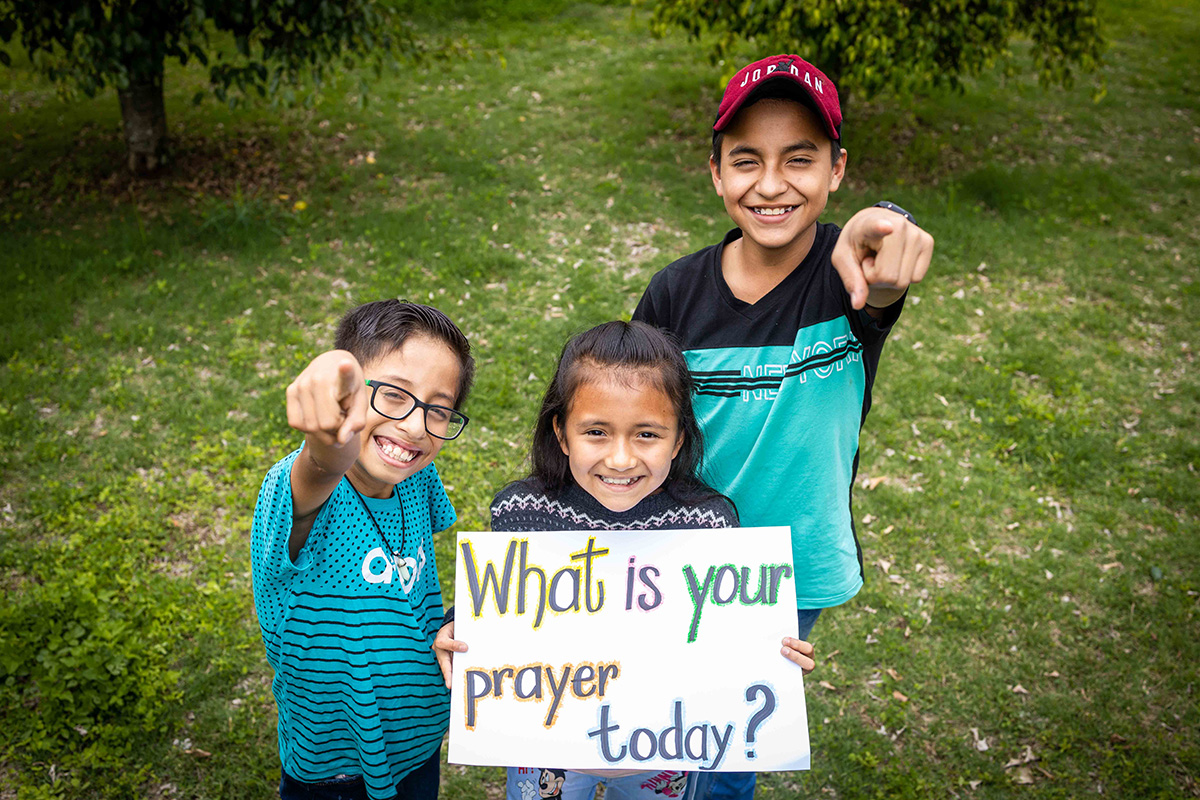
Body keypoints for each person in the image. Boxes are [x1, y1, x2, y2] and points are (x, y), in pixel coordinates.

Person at [631, 54, 935, 799]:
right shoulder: (674, 292)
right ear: (714, 174)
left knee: (729, 757)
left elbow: (886, 257)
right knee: (653, 733)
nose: (771, 184)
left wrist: (889, 223)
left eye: (799, 159)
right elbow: (634, 421)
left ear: (836, 169)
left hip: (786, 572)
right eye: (747, 161)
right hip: (675, 558)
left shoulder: (849, 278)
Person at [434, 320, 816, 800]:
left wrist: (768, 654)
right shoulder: (520, 511)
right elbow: (502, 606)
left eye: (647, 435)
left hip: (664, 754)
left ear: (678, 440)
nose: (620, 459)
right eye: (596, 431)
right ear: (562, 433)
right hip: (546, 750)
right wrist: (461, 625)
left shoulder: (708, 523)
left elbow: (725, 636)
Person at [251, 299, 475, 800]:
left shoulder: (418, 480)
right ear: (348, 396)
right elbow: (323, 463)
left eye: (438, 409)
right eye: (393, 395)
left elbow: (408, 590)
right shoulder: (301, 491)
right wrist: (330, 429)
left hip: (419, 743)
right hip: (334, 768)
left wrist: (445, 628)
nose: (416, 427)